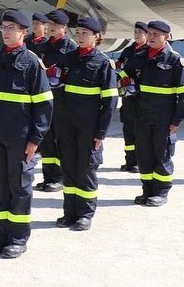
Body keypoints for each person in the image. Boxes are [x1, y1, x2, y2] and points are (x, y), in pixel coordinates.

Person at [0, 9, 52, 259]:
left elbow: (44, 104)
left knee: (19, 188)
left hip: (20, 137)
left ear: (23, 32)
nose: (6, 32)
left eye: (12, 28)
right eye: (4, 28)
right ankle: (0, 238)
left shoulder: (32, 62)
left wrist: (35, 139)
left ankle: (18, 239)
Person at [120, 20, 184, 207]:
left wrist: (177, 119)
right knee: (144, 153)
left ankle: (161, 192)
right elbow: (123, 73)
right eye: (149, 33)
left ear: (166, 37)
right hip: (142, 115)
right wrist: (126, 82)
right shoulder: (140, 56)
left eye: (155, 34)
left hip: (164, 117)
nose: (151, 37)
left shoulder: (176, 61)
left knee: (162, 154)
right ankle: (147, 190)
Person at [54, 16, 117, 231]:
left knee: (87, 169)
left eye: (85, 34)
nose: (80, 37)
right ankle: (69, 212)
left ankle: (85, 214)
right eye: (78, 33)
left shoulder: (103, 63)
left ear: (97, 37)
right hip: (67, 124)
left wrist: (101, 132)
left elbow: (110, 102)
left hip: (89, 127)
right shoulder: (68, 59)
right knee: (69, 167)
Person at [33, 9, 77, 192]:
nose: (52, 27)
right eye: (50, 24)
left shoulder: (71, 48)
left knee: (61, 140)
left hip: (62, 102)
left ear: (64, 27)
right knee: (46, 140)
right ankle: (48, 176)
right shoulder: (43, 47)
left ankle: (59, 177)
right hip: (45, 100)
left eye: (56, 25)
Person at [114, 21, 148, 173]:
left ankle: (138, 162)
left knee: (140, 131)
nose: (136, 35)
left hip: (141, 98)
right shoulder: (128, 51)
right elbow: (119, 67)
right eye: (135, 32)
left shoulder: (149, 52)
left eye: (140, 32)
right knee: (128, 130)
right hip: (127, 98)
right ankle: (130, 161)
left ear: (146, 35)